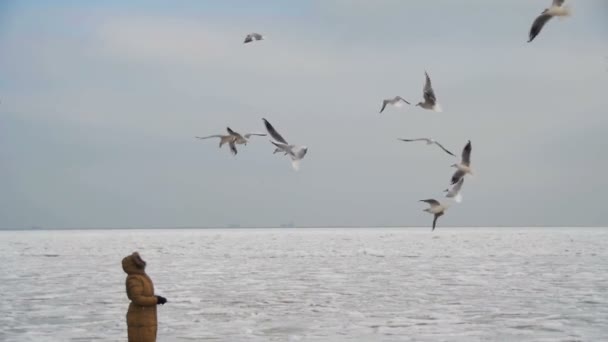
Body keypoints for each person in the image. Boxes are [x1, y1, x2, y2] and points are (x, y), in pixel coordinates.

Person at [122, 252, 167, 342]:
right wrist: (156, 300)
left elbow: (145, 295)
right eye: (138, 260)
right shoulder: (134, 278)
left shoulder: (141, 276)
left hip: (145, 317)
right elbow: (137, 298)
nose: (141, 262)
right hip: (139, 318)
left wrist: (156, 298)